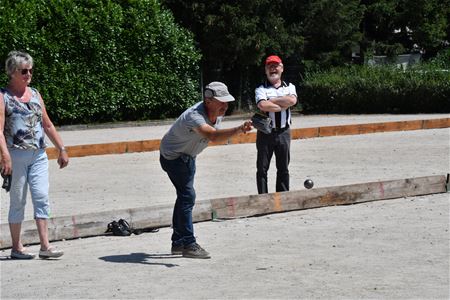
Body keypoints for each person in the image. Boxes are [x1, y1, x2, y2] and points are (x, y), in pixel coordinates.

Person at [160, 81, 252, 259]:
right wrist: (239, 129)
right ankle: (188, 243)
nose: (225, 106)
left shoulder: (217, 113)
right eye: (221, 101)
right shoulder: (195, 116)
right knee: (187, 196)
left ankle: (178, 242)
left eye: (226, 101)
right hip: (173, 157)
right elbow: (213, 136)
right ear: (208, 100)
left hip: (188, 157)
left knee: (183, 197)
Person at [0, 51, 69, 259]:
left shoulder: (36, 94)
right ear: (12, 72)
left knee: (41, 197)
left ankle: (45, 246)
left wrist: (61, 148)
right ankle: (16, 247)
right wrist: (5, 156)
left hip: (38, 154)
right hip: (16, 154)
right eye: (24, 71)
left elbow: (46, 124)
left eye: (30, 70)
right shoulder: (3, 96)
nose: (28, 74)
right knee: (18, 200)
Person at [254, 55, 297, 194]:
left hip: (284, 132)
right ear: (265, 70)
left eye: (275, 66)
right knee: (262, 169)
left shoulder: (290, 86)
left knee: (283, 168)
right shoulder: (260, 88)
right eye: (269, 66)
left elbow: (292, 101)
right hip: (265, 133)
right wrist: (281, 104)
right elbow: (262, 104)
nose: (273, 69)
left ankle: (283, 197)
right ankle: (263, 199)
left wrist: (272, 100)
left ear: (282, 68)